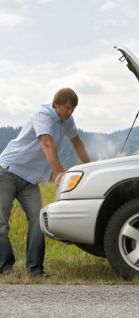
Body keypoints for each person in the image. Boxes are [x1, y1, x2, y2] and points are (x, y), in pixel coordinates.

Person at [0, 88, 90, 277]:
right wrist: (60, 172)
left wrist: (90, 167)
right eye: (67, 108)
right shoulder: (43, 115)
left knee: (38, 220)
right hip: (8, 171)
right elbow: (47, 144)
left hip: (30, 180)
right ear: (55, 104)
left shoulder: (67, 120)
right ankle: (5, 268)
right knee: (1, 223)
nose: (70, 112)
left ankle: (35, 270)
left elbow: (77, 142)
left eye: (73, 109)